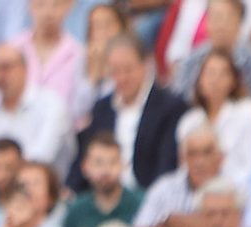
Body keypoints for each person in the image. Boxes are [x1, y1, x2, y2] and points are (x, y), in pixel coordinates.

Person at [76, 35, 187, 191]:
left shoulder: (169, 107)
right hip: (104, 194)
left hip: (147, 194)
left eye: (128, 70)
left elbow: (166, 165)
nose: (122, 78)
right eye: (115, 71)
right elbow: (86, 155)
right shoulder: (102, 107)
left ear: (145, 65)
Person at [0, 44, 73, 181]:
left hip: (44, 191)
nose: (0, 76)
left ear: (24, 68)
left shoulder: (51, 105)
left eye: (6, 67)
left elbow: (42, 156)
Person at [132, 124, 222, 227]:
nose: (199, 162)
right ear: (182, 158)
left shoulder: (233, 189)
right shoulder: (164, 188)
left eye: (206, 153)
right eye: (192, 154)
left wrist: (176, 224)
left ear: (220, 157)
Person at [169, 0, 251, 102]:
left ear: (240, 22)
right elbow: (179, 99)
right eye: (216, 18)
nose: (221, 25)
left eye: (227, 18)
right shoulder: (192, 60)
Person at [64, 132, 143, 227]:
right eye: (98, 162)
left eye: (112, 162)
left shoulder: (140, 205)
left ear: (123, 164)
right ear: (85, 166)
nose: (106, 170)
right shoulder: (76, 211)